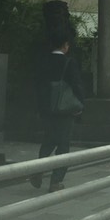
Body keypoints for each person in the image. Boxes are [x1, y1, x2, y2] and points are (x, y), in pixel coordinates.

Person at [30, 33, 84, 192]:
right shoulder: (69, 63)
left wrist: (39, 108)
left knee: (49, 140)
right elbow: (76, 85)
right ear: (65, 45)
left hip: (46, 109)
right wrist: (80, 104)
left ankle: (38, 170)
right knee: (63, 144)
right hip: (64, 110)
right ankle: (55, 181)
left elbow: (37, 85)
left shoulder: (43, 62)